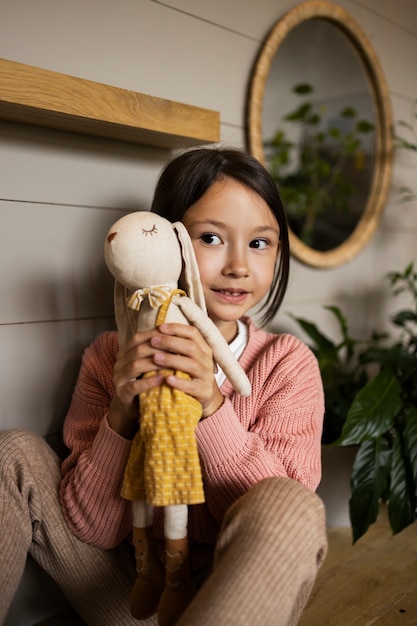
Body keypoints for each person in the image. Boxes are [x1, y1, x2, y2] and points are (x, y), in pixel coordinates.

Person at [0, 148, 327, 626]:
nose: (239, 265)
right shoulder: (109, 357)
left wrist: (212, 408)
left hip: (235, 602)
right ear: (166, 241)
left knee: (290, 499)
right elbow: (93, 529)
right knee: (13, 452)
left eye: (260, 244)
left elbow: (275, 529)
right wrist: (120, 416)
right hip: (133, 597)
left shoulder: (287, 365)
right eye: (212, 238)